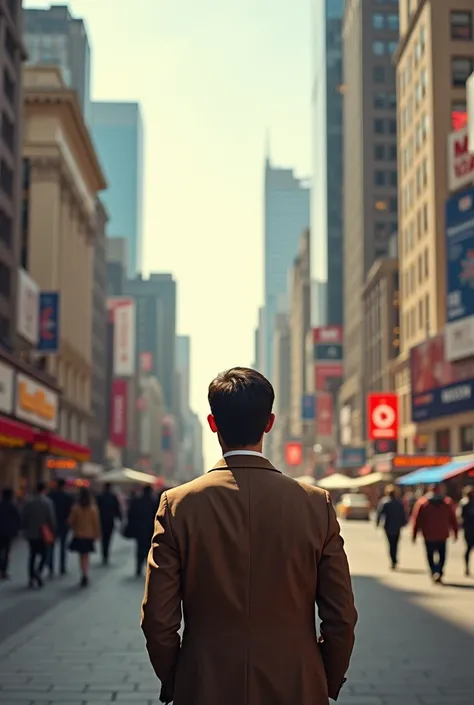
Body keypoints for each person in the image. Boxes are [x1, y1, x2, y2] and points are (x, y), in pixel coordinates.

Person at [141, 367, 357, 705]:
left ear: (213, 424)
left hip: (204, 683)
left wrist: (177, 678)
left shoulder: (177, 505)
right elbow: (341, 616)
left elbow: (157, 618)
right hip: (297, 683)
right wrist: (321, 678)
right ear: (269, 423)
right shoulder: (316, 505)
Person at [411, 483, 458, 584]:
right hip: (442, 533)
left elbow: (416, 520)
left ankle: (433, 571)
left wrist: (414, 534)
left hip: (428, 534)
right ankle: (439, 572)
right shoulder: (447, 503)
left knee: (430, 555)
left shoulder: (422, 503)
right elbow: (453, 519)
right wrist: (455, 532)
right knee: (442, 555)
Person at [22, 482, 56, 589]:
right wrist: (53, 530)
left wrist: (25, 529)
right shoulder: (48, 503)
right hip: (43, 533)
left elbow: (24, 517)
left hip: (31, 533)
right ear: (44, 490)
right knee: (45, 555)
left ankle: (31, 577)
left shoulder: (29, 502)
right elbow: (51, 518)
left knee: (32, 556)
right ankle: (38, 571)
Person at [68, 487, 100, 587]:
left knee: (81, 555)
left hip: (79, 534)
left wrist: (75, 527)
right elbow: (96, 523)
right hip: (89, 535)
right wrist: (97, 534)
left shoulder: (76, 508)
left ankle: (83, 573)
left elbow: (70, 521)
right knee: (86, 555)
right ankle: (86, 573)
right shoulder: (93, 509)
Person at [126, 485, 159, 577]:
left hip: (139, 529)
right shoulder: (154, 502)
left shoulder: (137, 501)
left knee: (139, 548)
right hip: (150, 530)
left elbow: (131, 514)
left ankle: (138, 568)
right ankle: (148, 567)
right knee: (149, 549)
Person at [376, 484, 407, 570]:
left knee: (390, 544)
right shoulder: (399, 502)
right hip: (396, 526)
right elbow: (403, 514)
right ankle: (394, 559)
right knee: (395, 544)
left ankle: (393, 560)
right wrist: (404, 522)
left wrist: (378, 522)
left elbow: (379, 513)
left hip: (388, 526)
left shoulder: (384, 501)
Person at [47, 479, 74, 576]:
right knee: (63, 546)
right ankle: (62, 567)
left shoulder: (50, 497)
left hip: (52, 524)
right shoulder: (68, 498)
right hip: (64, 524)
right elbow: (71, 512)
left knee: (51, 546)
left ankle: (50, 567)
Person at [96, 482, 122, 565]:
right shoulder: (113, 497)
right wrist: (120, 519)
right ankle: (106, 554)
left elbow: (96, 509)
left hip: (101, 521)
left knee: (103, 539)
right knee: (108, 538)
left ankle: (104, 554)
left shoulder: (100, 497)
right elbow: (117, 509)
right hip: (110, 521)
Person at [0, 488, 21, 579]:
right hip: (8, 533)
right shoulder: (12, 506)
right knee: (6, 551)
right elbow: (17, 519)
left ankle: (1, 568)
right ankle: (4, 571)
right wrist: (16, 531)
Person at [459, 485, 474, 576]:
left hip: (468, 529)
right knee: (468, 549)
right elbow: (461, 517)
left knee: (468, 549)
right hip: (468, 530)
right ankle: (467, 568)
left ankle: (467, 568)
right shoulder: (464, 503)